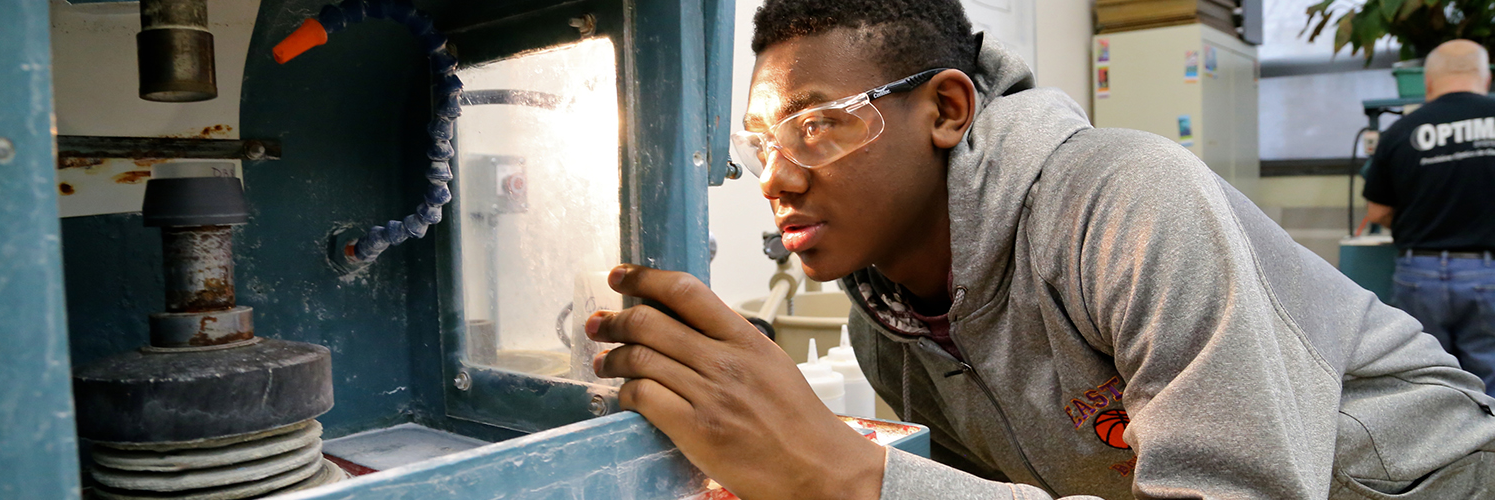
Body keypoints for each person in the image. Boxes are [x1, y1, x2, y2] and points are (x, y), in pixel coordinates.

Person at [584, 2, 1495, 498]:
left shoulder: (1126, 204)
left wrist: (844, 473)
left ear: (946, 108)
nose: (776, 179)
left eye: (817, 126)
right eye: (760, 143)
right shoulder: (885, 325)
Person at [1363, 39, 1495, 398]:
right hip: (1488, 274)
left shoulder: (1400, 132)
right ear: (1486, 79)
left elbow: (1377, 212)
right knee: (1490, 378)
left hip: (1418, 274)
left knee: (1429, 383)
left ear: (1429, 83)